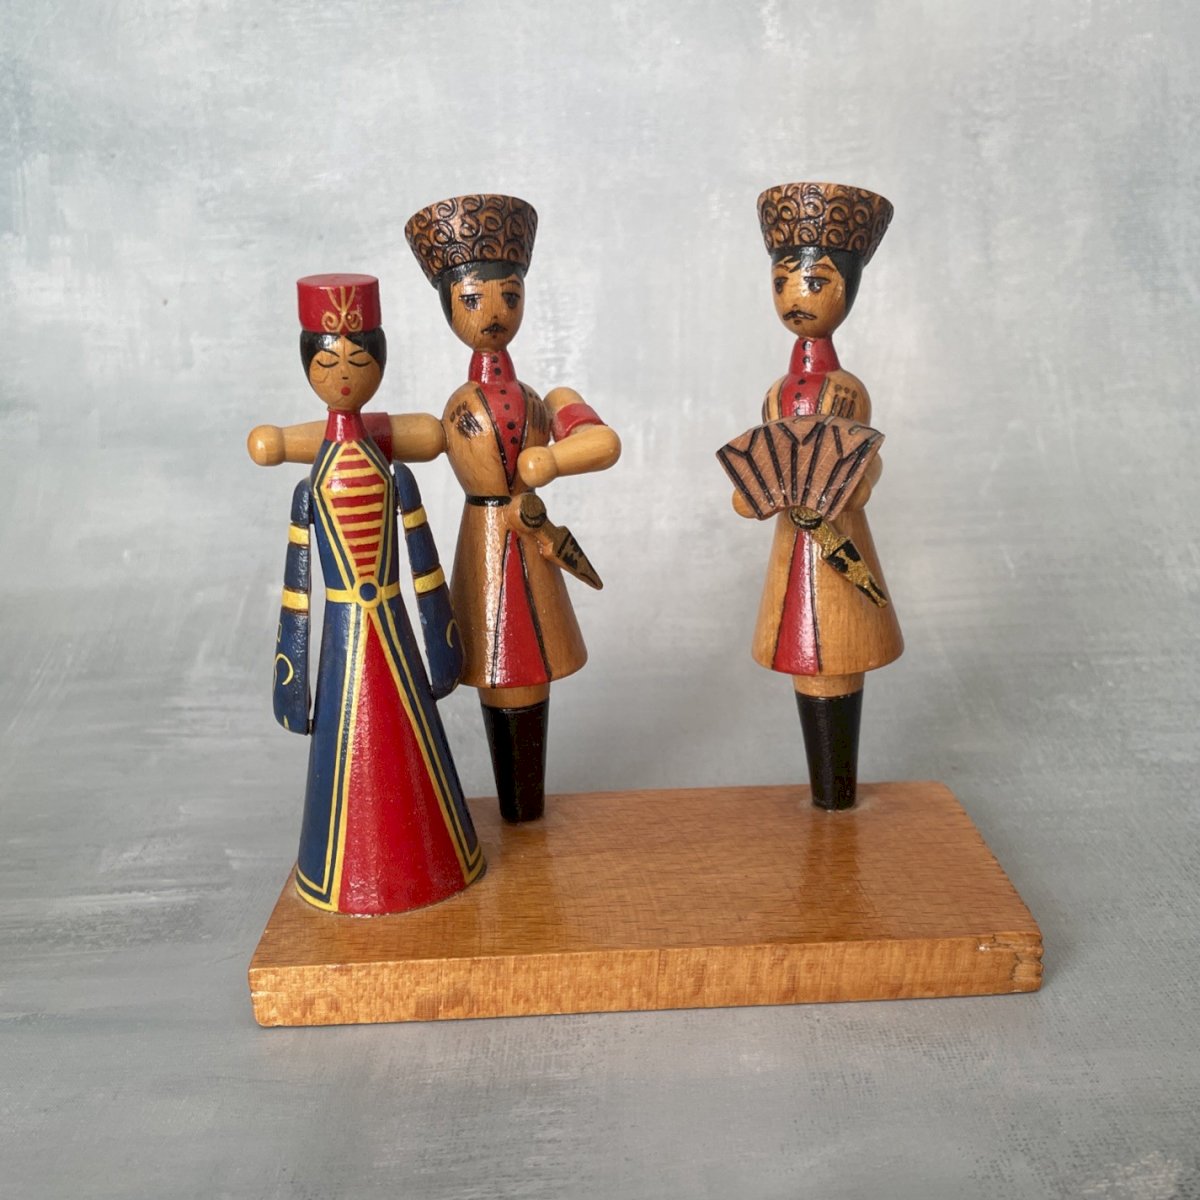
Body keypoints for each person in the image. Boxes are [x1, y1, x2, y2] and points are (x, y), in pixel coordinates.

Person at [403, 194, 620, 822]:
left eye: (510, 296)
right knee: (496, 662)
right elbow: (396, 434)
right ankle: (519, 812)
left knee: (529, 664)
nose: (494, 313)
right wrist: (303, 440)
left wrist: (552, 460)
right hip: (484, 543)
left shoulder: (547, 398)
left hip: (528, 543)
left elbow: (603, 442)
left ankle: (525, 812)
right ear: (449, 307)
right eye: (474, 299)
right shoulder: (455, 409)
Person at [271, 274, 483, 913]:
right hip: (345, 632)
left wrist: (442, 640)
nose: (343, 375)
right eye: (327, 363)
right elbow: (298, 587)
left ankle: (432, 859)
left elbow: (423, 559)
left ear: (380, 365)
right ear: (308, 369)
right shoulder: (313, 487)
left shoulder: (391, 475)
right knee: (353, 738)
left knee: (404, 737)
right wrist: (292, 679)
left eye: (358, 362)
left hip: (387, 620)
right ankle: (347, 872)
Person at [733, 183, 904, 809]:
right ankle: (829, 794)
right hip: (793, 545)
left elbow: (863, 461)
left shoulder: (848, 391)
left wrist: (860, 483)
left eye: (814, 281)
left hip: (837, 541)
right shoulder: (775, 393)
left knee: (836, 648)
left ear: (848, 291)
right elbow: (766, 468)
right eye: (782, 282)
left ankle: (837, 794)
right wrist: (754, 494)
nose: (794, 296)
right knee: (804, 649)